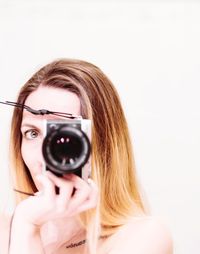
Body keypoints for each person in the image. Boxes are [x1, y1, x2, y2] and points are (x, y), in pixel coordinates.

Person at [0, 59, 173, 254]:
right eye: (32, 133)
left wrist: (27, 229)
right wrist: (25, 222)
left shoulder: (143, 237)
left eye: (62, 134)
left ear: (103, 144)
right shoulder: (4, 231)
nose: (44, 154)